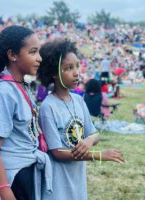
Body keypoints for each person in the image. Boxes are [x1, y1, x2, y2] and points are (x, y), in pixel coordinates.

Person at [0, 25, 52, 200]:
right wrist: (6, 194)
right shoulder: (3, 93)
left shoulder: (20, 86)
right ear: (12, 55)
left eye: (39, 52)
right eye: (33, 52)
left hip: (22, 173)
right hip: (8, 179)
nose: (39, 58)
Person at [37, 39, 124, 200]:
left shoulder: (78, 100)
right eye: (69, 68)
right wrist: (98, 155)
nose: (76, 72)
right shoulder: (48, 107)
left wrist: (88, 142)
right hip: (58, 184)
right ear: (54, 73)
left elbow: (94, 134)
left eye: (77, 66)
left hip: (77, 180)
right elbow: (57, 152)